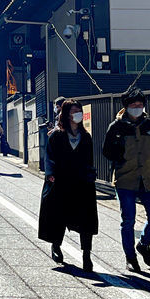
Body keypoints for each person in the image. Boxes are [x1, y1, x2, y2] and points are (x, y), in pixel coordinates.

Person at [101, 88, 150, 272]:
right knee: (128, 220)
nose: (137, 108)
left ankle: (144, 244)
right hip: (125, 179)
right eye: (133, 105)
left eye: (140, 105)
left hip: (148, 179)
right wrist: (121, 159)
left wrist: (149, 161)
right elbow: (107, 151)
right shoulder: (116, 127)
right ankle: (130, 257)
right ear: (126, 107)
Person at [38, 99, 99, 272]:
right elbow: (48, 157)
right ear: (66, 114)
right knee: (59, 216)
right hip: (61, 181)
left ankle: (86, 255)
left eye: (78, 110)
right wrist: (50, 174)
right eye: (73, 111)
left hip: (82, 183)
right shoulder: (57, 135)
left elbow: (89, 159)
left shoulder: (86, 136)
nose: (76, 114)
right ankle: (56, 246)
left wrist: (90, 175)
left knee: (86, 219)